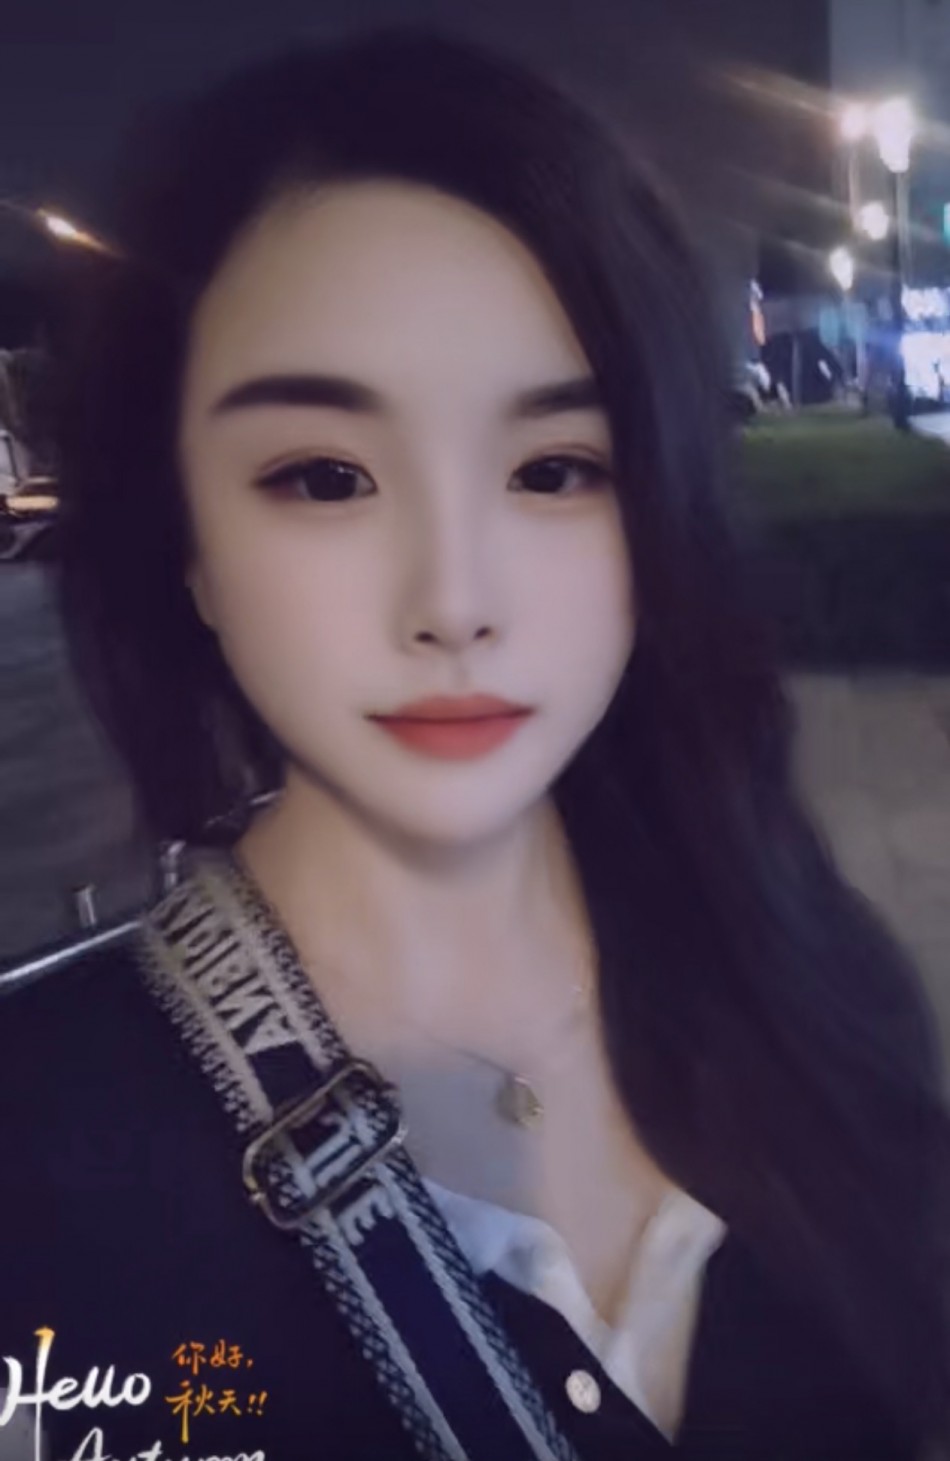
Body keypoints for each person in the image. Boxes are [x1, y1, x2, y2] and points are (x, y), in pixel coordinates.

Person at [0, 30, 947, 1461]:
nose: (453, 601)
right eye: (326, 477)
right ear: (186, 541)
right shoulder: (43, 1170)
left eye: (552, 469)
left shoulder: (806, 967)